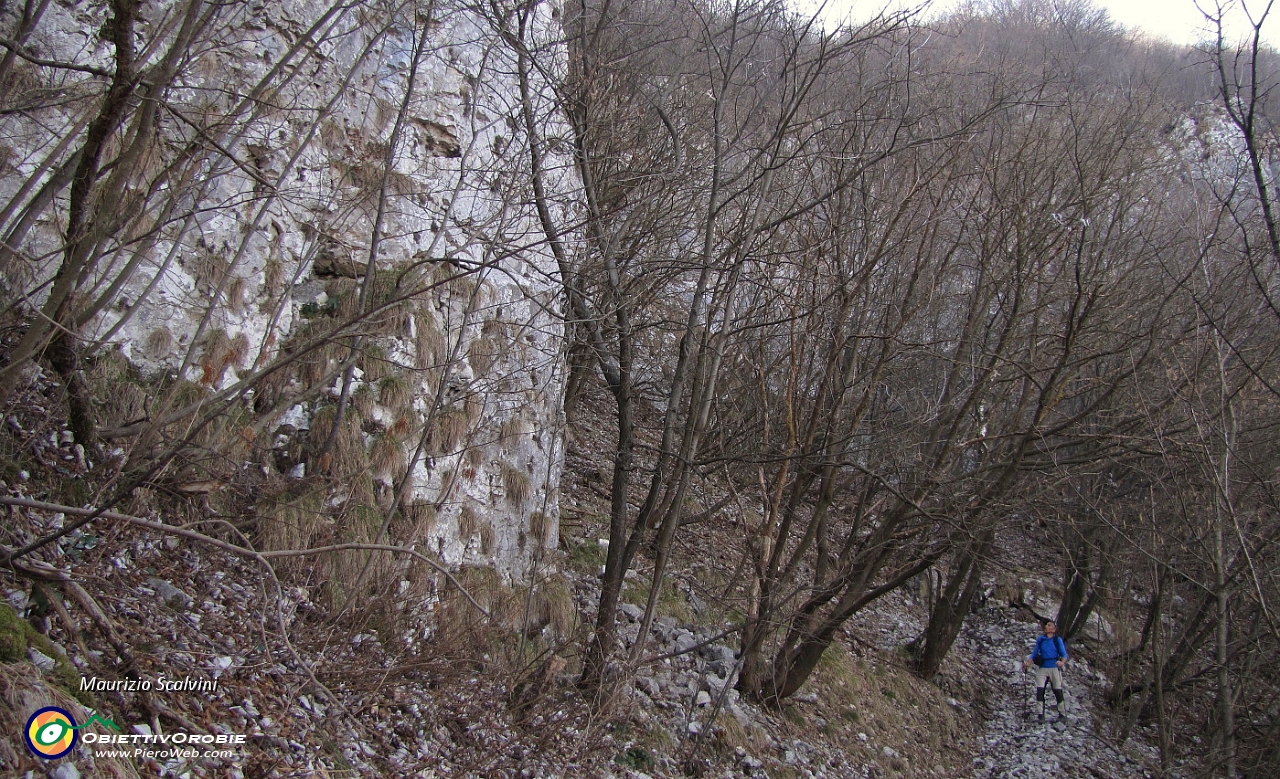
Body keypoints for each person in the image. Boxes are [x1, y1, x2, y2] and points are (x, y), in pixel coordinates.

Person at [1023, 620, 1068, 717]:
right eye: (1046, 625)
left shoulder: (1057, 640)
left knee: (1057, 690)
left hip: (1054, 667)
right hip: (1042, 667)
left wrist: (1061, 662)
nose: (1046, 626)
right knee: (1040, 690)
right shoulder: (1041, 639)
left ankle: (1062, 713)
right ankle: (1040, 714)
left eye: (1049, 625)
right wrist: (1028, 662)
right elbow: (1035, 653)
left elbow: (1064, 654)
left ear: (1054, 629)